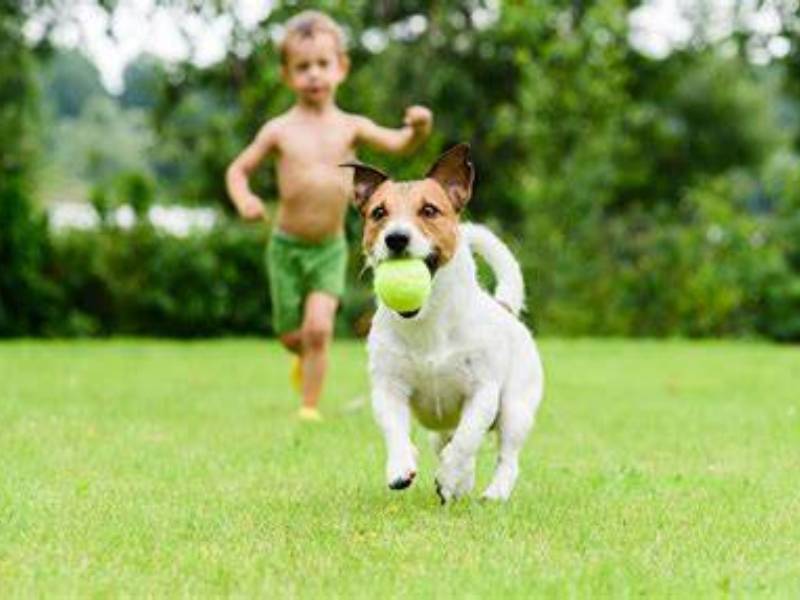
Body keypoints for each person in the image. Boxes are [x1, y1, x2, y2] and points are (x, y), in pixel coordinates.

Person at [226, 10, 433, 421]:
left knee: (319, 329)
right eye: (303, 67)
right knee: (293, 336)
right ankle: (299, 355)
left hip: (329, 248)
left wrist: (419, 129)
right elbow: (237, 170)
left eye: (323, 64)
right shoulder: (279, 130)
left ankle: (308, 408)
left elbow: (399, 144)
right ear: (287, 75)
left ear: (341, 68)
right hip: (285, 247)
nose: (314, 74)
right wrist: (245, 199)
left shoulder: (350, 126)